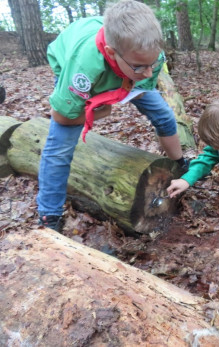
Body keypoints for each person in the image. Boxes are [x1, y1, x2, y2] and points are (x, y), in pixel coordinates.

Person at [37, 0, 189, 231]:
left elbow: (145, 72)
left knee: (164, 116)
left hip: (125, 74)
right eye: (141, 66)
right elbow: (59, 117)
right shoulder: (83, 68)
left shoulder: (146, 56)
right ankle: (49, 214)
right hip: (80, 67)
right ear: (111, 52)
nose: (150, 72)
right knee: (60, 147)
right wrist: (99, 113)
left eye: (153, 63)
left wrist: (137, 75)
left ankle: (180, 164)